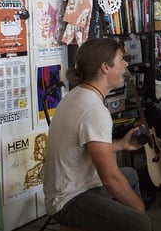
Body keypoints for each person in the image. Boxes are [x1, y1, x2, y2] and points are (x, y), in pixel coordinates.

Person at [43, 38, 152, 231]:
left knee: (130, 176)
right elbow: (110, 178)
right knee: (140, 223)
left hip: (72, 186)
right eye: (121, 60)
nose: (126, 64)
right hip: (69, 199)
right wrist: (139, 210)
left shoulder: (77, 94)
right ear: (105, 68)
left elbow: (84, 147)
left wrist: (121, 145)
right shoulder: (94, 110)